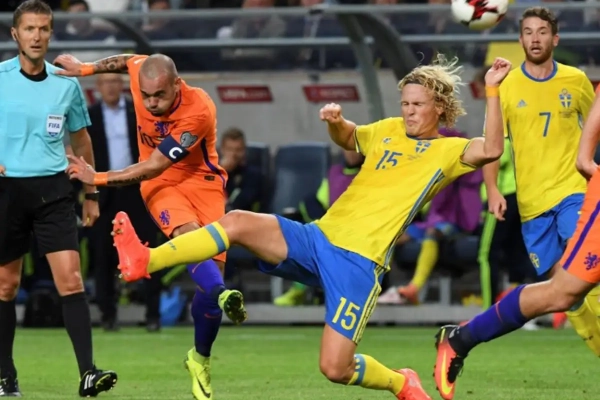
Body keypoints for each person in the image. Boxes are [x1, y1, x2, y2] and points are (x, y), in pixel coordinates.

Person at [111, 55, 512, 400]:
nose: (408, 111)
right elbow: (350, 138)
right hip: (318, 238)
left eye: (418, 105)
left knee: (335, 368)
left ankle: (400, 381)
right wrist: (335, 122)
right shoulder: (389, 129)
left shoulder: (449, 151)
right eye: (405, 103)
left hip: (359, 264)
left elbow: (493, 148)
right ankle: (146, 260)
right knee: (236, 221)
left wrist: (493, 90)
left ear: (439, 107)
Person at [52, 52, 247, 400]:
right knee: (191, 239)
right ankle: (222, 292)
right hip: (161, 186)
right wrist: (86, 68)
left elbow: (154, 163)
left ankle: (200, 358)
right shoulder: (140, 71)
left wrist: (95, 177)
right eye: (146, 96)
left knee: (207, 293)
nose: (152, 103)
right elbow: (126, 60)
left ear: (176, 85)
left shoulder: (198, 110)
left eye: (160, 95)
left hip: (203, 183)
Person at [433, 7, 598, 400]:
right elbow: (494, 143)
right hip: (532, 204)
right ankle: (461, 338)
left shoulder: (575, 81)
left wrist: (586, 170)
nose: (535, 38)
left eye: (542, 32)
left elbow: (590, 131)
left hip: (574, 194)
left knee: (577, 285)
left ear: (555, 39)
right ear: (521, 38)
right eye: (528, 32)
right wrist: (492, 189)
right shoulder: (507, 85)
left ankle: (462, 338)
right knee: (566, 295)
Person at [0, 1, 118, 397]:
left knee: (71, 280)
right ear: (15, 34)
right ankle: (5, 373)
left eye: (43, 29)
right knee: (5, 286)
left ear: (51, 33)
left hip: (53, 191)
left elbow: (81, 141)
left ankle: (88, 373)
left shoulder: (66, 84)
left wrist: (92, 192)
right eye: (29, 29)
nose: (36, 36)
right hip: (6, 192)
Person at [86, 73, 165, 332]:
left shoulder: (139, 113)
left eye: (114, 81)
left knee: (150, 249)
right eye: (105, 82)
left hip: (137, 191)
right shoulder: (89, 116)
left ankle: (153, 314)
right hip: (104, 192)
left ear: (122, 85)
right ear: (98, 87)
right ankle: (108, 315)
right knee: (103, 254)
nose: (110, 86)